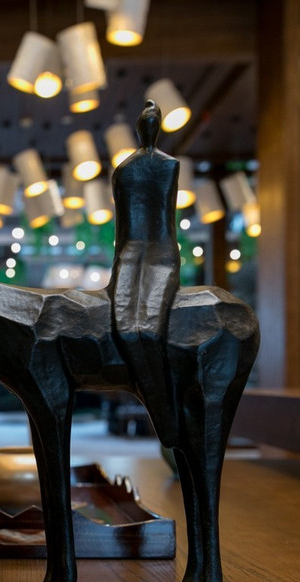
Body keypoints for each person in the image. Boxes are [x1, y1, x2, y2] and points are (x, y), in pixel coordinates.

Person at [106, 101, 181, 446]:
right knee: (126, 326)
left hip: (161, 252)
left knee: (147, 329)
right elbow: (123, 229)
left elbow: (166, 220)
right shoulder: (124, 170)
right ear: (140, 128)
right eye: (146, 121)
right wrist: (119, 267)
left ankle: (165, 415)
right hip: (130, 253)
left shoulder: (169, 165)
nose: (150, 127)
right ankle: (162, 412)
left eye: (154, 121)